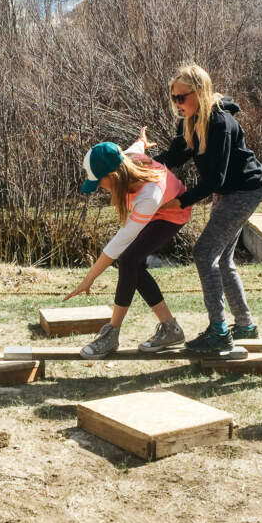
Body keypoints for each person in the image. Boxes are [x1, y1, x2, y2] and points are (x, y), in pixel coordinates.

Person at [147, 62, 262, 354]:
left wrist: (182, 200)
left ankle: (219, 331)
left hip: (244, 191)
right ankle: (245, 325)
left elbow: (217, 178)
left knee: (203, 253)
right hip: (226, 192)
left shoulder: (220, 123)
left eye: (181, 97)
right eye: (173, 98)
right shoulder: (189, 120)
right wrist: (143, 164)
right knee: (222, 259)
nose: (177, 104)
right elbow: (175, 156)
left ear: (199, 92)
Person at [64, 138, 194, 359]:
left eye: (99, 184)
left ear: (113, 177)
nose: (100, 190)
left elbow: (118, 244)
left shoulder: (148, 196)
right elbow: (134, 148)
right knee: (132, 263)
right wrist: (142, 140)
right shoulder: (127, 159)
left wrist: (89, 279)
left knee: (128, 260)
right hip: (157, 208)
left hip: (171, 214)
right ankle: (170, 328)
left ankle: (112, 333)